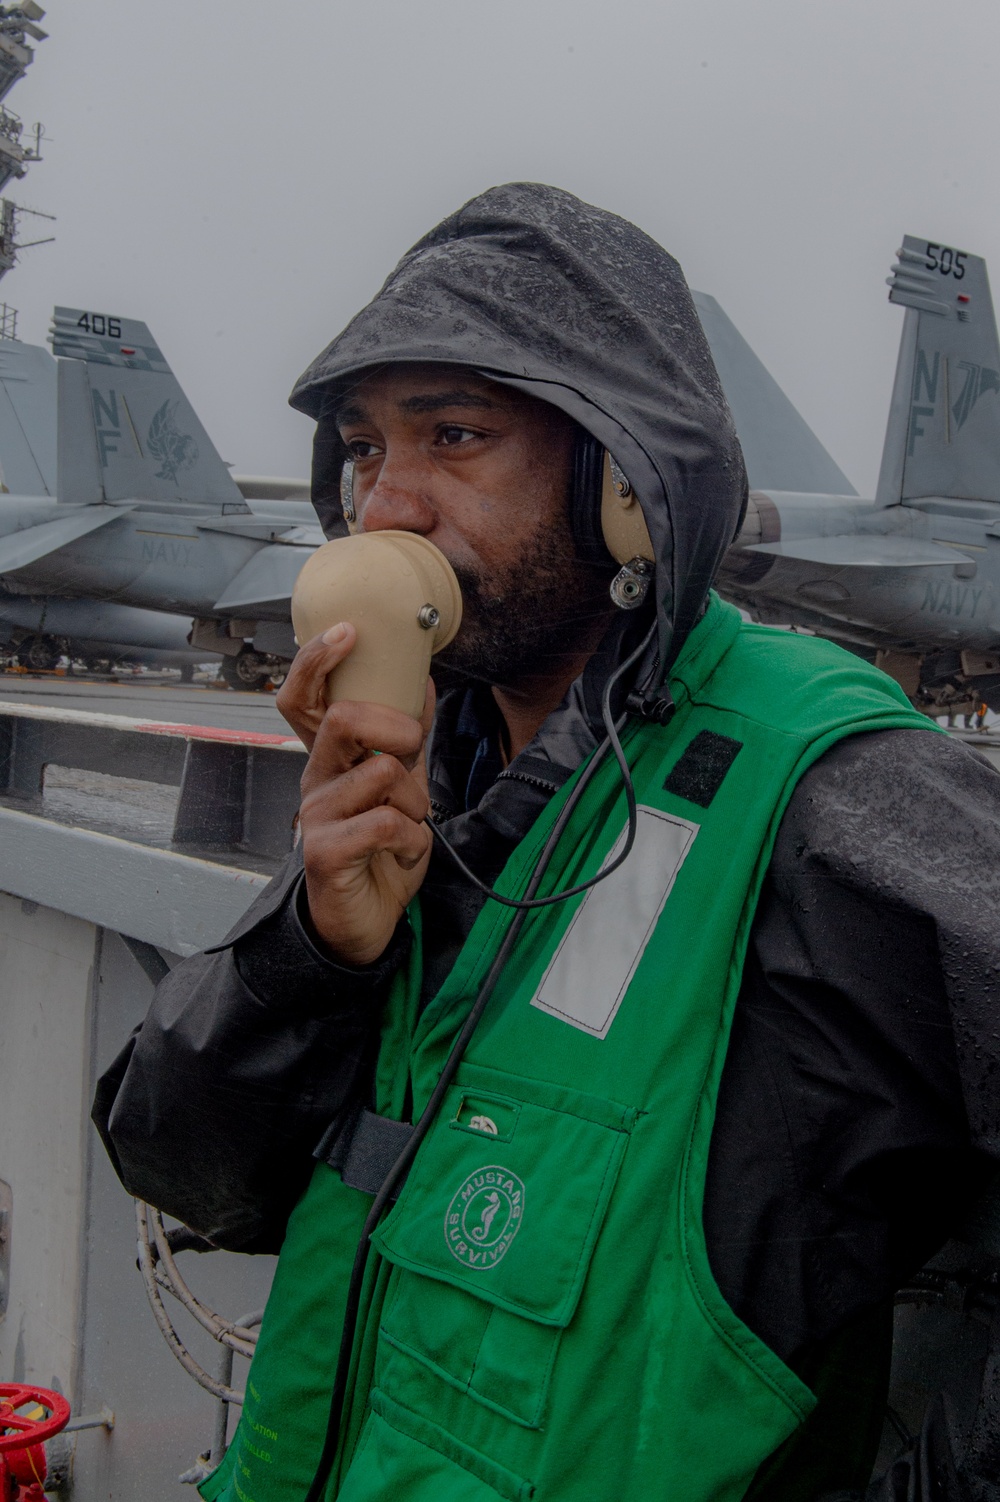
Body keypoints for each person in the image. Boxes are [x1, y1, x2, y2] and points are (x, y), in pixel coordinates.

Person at [94, 184, 1000, 1502]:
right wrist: (311, 954)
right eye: (361, 449)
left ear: (625, 484)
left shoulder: (822, 786)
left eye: (453, 436)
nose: (383, 505)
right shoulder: (424, 786)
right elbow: (185, 1169)